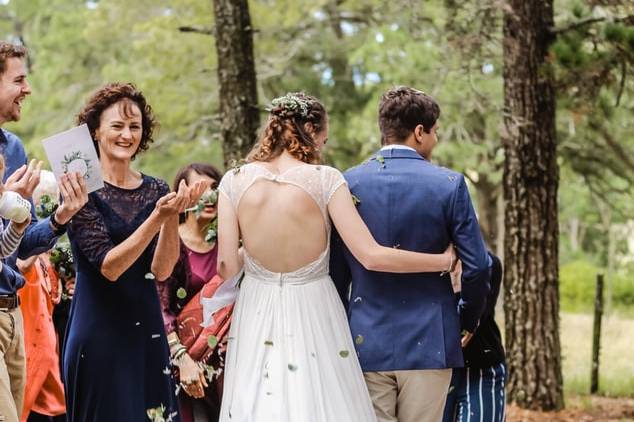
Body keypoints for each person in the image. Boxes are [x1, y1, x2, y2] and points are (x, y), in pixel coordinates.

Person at [214, 92, 456, 422]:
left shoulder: (234, 180)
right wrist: (442, 262)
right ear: (310, 131)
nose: (321, 149)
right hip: (314, 307)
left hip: (257, 308)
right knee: (322, 403)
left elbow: (226, 267)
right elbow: (371, 256)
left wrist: (257, 248)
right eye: (323, 140)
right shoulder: (325, 179)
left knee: (262, 402)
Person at [330, 86, 491, 422]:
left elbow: (336, 272)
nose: (435, 140)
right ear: (419, 132)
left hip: (365, 340)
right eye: (434, 132)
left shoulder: (347, 183)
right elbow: (477, 267)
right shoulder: (449, 184)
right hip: (431, 341)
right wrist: (465, 320)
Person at [62, 83, 205, 422]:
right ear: (95, 131)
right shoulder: (80, 192)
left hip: (146, 333)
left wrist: (171, 218)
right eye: (117, 126)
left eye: (135, 126)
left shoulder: (155, 188)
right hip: (97, 332)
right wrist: (157, 216)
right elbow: (110, 267)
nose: (127, 134)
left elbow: (162, 271)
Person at [0, 41, 87, 422]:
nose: (28, 89)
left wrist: (60, 218)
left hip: (13, 315)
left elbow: (19, 247)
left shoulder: (14, 148)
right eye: (19, 79)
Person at [157, 162, 227, 422]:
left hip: (224, 364)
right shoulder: (171, 242)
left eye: (214, 188)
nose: (207, 196)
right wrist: (182, 359)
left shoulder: (228, 241)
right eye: (199, 188)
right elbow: (160, 306)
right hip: (183, 361)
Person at [17, 171, 66, 422]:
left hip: (49, 360)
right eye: (43, 202)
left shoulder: (54, 259)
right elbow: (22, 265)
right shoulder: (23, 249)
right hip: (25, 356)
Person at [442, 254, 506, 422]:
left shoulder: (486, 263)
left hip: (480, 368)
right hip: (436, 371)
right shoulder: (422, 260)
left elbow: (473, 316)